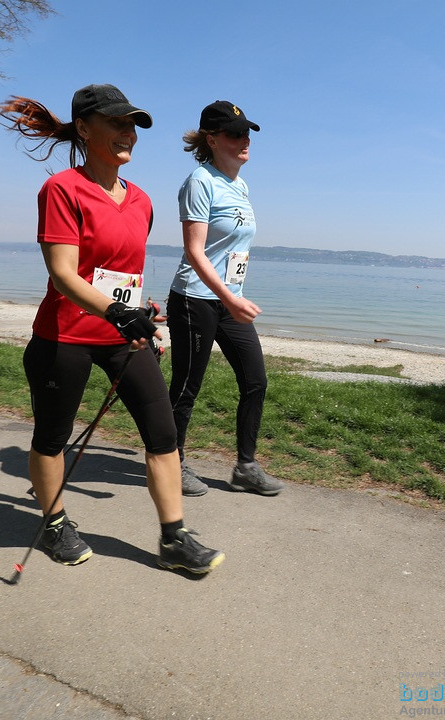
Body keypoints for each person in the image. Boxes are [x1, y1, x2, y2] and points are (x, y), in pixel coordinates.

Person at [0, 84, 224, 574]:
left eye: (133, 125)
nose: (128, 134)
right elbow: (63, 272)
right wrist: (118, 312)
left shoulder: (141, 200)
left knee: (163, 435)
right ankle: (54, 523)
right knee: (52, 437)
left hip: (123, 336)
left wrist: (141, 310)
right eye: (117, 123)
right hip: (65, 336)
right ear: (84, 128)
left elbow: (121, 272)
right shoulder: (62, 189)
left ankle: (174, 537)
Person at [167, 101, 283, 498]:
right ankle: (173, 462)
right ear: (212, 139)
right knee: (186, 386)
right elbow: (195, 252)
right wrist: (228, 298)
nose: (244, 139)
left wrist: (235, 295)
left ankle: (246, 467)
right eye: (235, 133)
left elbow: (231, 252)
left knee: (256, 381)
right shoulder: (200, 181)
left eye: (247, 132)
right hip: (194, 300)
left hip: (227, 299)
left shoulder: (240, 185)